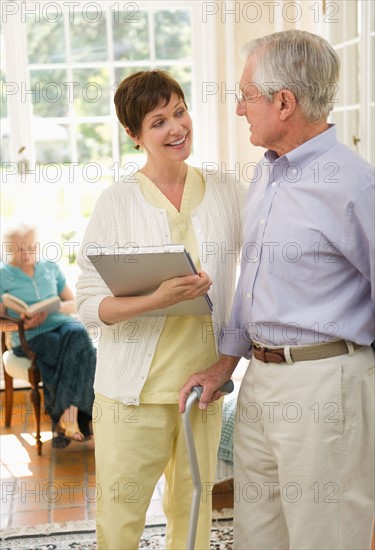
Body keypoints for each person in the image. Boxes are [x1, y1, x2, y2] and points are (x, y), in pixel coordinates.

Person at [179, 29, 375, 550]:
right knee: (258, 534)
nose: (240, 108)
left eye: (246, 95)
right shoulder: (267, 175)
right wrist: (226, 365)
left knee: (324, 537)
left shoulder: (354, 185)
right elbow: (252, 283)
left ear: (283, 102)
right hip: (261, 383)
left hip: (325, 382)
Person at [75, 69, 245, 550]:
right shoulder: (117, 202)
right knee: (121, 517)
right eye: (158, 121)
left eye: (180, 111)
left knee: (194, 511)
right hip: (131, 396)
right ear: (133, 135)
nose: (177, 128)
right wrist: (156, 300)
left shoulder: (228, 190)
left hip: (201, 388)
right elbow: (88, 305)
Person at [0, 223, 96, 445]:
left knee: (79, 333)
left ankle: (66, 415)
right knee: (87, 352)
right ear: (9, 249)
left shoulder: (50, 267)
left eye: (31, 248)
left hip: (61, 324)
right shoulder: (3, 275)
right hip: (29, 336)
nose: (27, 254)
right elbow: (1, 323)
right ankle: (73, 417)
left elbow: (74, 304)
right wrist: (21, 322)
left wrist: (52, 308)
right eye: (20, 250)